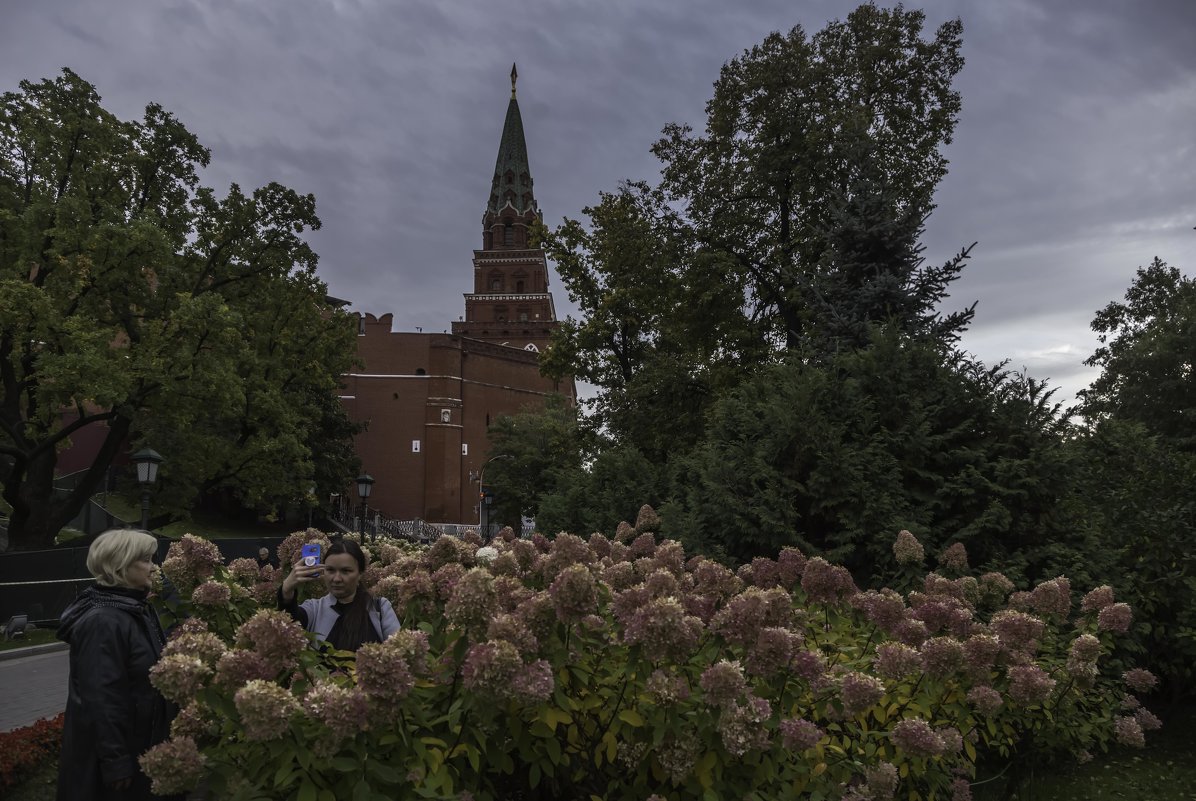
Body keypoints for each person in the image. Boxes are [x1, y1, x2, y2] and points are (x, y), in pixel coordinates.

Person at [57, 529, 179, 801]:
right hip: (117, 769)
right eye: (146, 560)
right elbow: (101, 698)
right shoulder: (104, 621)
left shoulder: (133, 610)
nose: (153, 568)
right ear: (121, 565)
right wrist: (115, 762)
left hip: (140, 751)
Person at [278, 537, 399, 650]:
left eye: (345, 571)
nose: (336, 578)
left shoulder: (380, 608)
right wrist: (286, 590)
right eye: (330, 570)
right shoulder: (314, 609)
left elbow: (396, 652)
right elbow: (290, 624)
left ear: (360, 574)